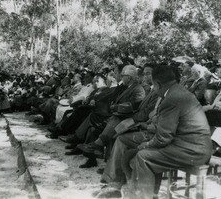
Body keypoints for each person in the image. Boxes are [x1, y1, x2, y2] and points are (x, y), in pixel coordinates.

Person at [96, 65, 212, 199]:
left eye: (153, 84)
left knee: (144, 157)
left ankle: (142, 196)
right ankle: (126, 187)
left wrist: (145, 145)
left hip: (192, 150)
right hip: (188, 144)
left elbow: (163, 138)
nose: (153, 89)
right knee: (130, 147)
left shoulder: (171, 98)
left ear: (157, 84)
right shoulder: (177, 91)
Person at [79, 65, 145, 157]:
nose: (121, 78)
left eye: (122, 76)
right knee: (95, 119)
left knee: (103, 119)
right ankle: (93, 149)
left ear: (129, 77)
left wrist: (115, 107)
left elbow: (133, 106)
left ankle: (96, 145)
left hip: (126, 119)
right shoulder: (128, 87)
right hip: (117, 116)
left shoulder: (138, 89)